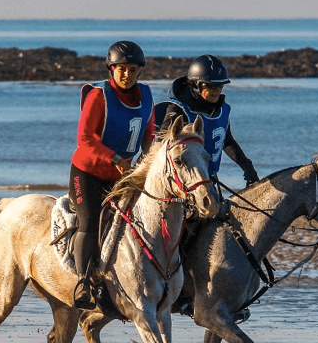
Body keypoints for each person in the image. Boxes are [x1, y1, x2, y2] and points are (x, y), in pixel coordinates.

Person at [69, 40, 155, 309]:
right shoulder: (98, 96)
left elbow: (149, 134)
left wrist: (151, 159)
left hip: (122, 175)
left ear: (139, 71)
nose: (127, 75)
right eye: (121, 69)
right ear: (112, 70)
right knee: (91, 220)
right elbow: (85, 139)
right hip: (88, 174)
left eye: (132, 69)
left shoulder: (147, 96)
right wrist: (115, 158)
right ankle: (83, 282)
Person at [155, 54, 258, 187]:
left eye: (220, 85)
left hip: (207, 182)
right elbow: (158, 151)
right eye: (211, 86)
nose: (217, 90)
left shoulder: (222, 111)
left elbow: (226, 141)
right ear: (196, 85)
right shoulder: (177, 111)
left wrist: (247, 167)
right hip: (180, 185)